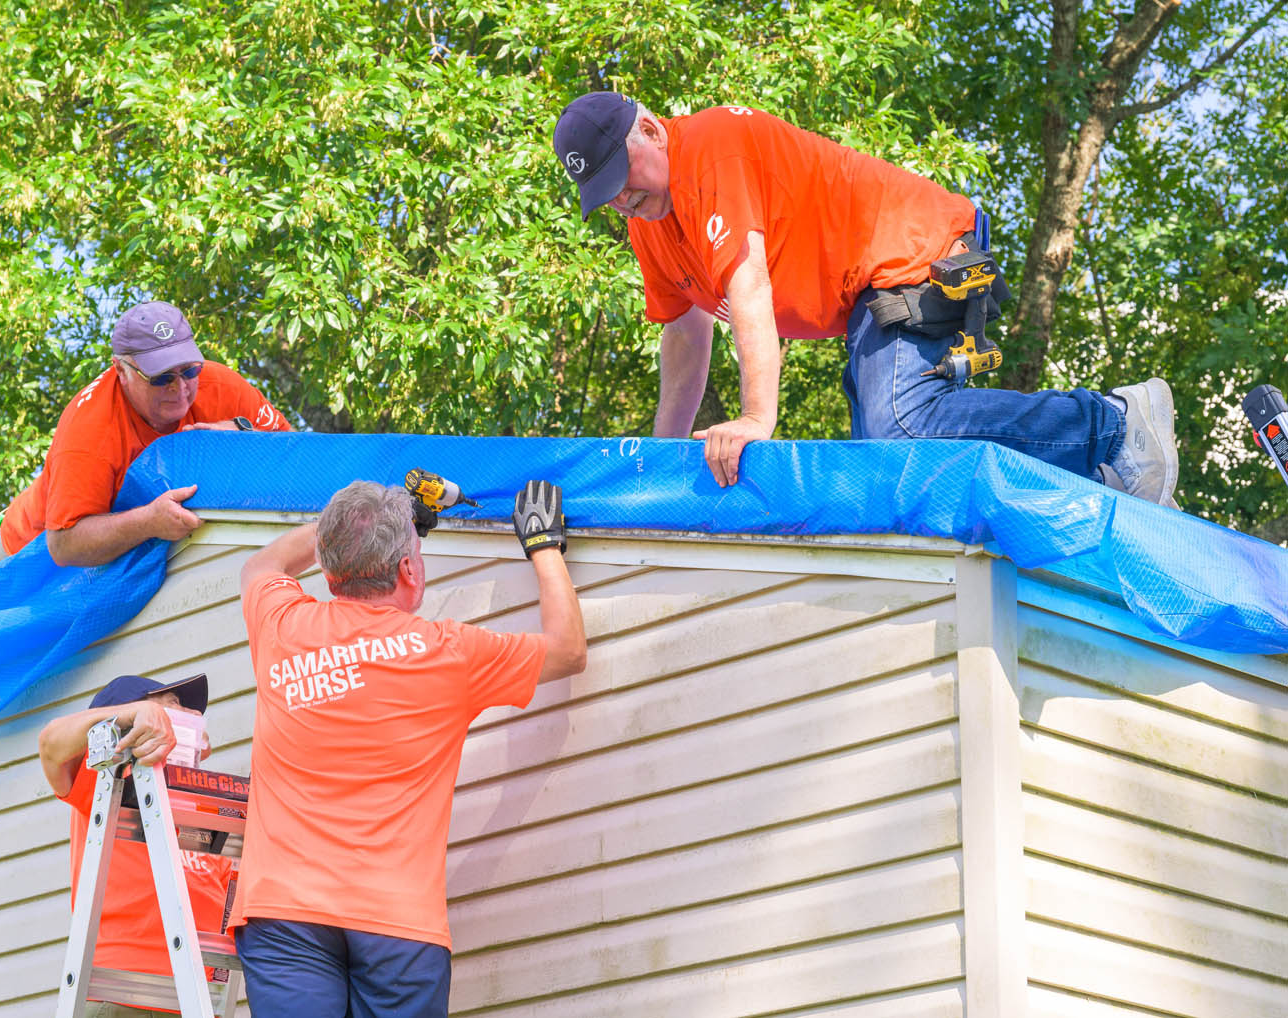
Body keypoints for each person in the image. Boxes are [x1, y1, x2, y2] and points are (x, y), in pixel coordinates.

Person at [552, 92, 1180, 505]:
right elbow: (685, 334)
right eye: (604, 193)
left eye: (623, 180)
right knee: (889, 471)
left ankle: (1116, 425)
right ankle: (1099, 481)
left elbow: (749, 287)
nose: (620, 200)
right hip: (867, 294)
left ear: (654, 132)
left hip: (912, 246)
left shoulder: (713, 148)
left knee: (899, 423)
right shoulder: (649, 225)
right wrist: (659, 460)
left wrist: (754, 420)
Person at [228, 479, 588, 1016]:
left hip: (284, 916)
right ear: (407, 571)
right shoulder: (449, 654)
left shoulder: (283, 625)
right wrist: (543, 548)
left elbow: (263, 567)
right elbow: (567, 650)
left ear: (328, 574)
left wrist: (359, 526)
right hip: (397, 924)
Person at [0, 300, 293, 567]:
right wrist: (148, 522)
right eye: (161, 377)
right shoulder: (91, 428)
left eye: (188, 370)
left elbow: (294, 450)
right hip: (27, 556)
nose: (180, 386)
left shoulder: (221, 386)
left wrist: (244, 434)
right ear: (121, 371)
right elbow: (64, 545)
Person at [37, 672, 234, 1018]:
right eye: (171, 706)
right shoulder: (104, 780)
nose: (186, 714)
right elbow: (51, 743)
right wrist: (132, 716)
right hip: (120, 997)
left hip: (197, 1002)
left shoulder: (203, 812)